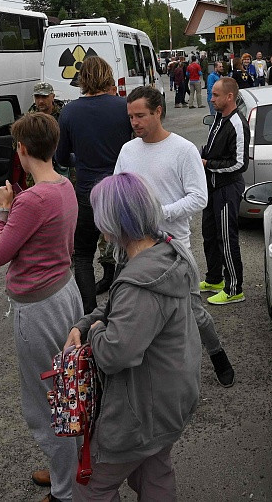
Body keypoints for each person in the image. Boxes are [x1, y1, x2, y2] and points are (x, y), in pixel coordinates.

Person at [64, 173, 200, 501]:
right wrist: (84, 323)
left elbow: (115, 354)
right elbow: (119, 308)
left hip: (140, 409)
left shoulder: (139, 282)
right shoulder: (165, 252)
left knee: (91, 487)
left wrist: (94, 331)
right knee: (155, 469)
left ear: (112, 222)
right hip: (172, 396)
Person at [0, 113, 82, 502]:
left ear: (22, 149)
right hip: (65, 292)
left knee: (47, 402)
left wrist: (3, 210)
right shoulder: (64, 185)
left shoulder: (30, 200)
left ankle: (66, 490)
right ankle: (71, 470)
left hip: (39, 306)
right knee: (69, 387)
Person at [116, 86, 235, 387]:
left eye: (140, 115)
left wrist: (159, 214)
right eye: (131, 117)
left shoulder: (184, 150)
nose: (134, 122)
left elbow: (199, 197)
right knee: (135, 310)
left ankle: (217, 353)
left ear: (158, 111)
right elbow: (118, 190)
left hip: (174, 248)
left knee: (193, 310)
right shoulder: (127, 150)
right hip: (135, 249)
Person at [55, 56, 132, 314]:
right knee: (128, 251)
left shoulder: (69, 112)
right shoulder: (123, 107)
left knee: (83, 255)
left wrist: (81, 159)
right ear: (108, 75)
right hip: (120, 189)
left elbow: (61, 158)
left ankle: (89, 312)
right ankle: (124, 309)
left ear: (82, 79)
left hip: (87, 192)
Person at [200, 78, 249, 305]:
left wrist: (207, 164)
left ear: (229, 97)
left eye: (216, 95)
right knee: (209, 234)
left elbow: (240, 163)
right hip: (211, 188)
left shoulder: (237, 123)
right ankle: (214, 279)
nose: (211, 99)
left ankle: (234, 289)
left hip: (227, 188)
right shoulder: (219, 118)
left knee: (227, 238)